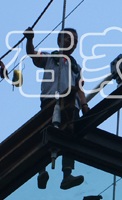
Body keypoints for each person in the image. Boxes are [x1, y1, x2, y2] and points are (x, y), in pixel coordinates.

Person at [23, 26, 91, 190]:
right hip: (51, 100)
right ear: (59, 40)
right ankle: (41, 170)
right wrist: (30, 39)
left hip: (71, 103)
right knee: (47, 131)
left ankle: (67, 174)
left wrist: (84, 105)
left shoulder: (76, 67)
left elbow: (79, 88)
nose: (72, 42)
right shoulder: (50, 58)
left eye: (75, 41)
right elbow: (32, 53)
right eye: (69, 38)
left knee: (70, 134)